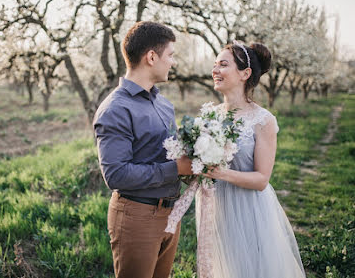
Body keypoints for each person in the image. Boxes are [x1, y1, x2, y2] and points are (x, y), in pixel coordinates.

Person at [93, 21, 193, 278]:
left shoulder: (164, 105)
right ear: (151, 57)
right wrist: (176, 169)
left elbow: (168, 154)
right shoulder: (116, 109)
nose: (172, 62)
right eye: (170, 55)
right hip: (136, 216)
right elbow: (116, 175)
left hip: (170, 213)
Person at [198, 41, 306, 278]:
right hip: (217, 206)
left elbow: (261, 179)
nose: (215, 70)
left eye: (223, 64)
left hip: (249, 207)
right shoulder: (210, 115)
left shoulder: (262, 120)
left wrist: (220, 173)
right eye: (214, 64)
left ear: (245, 74)